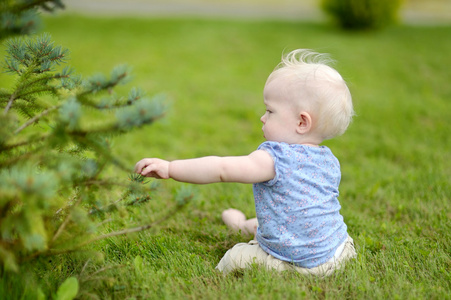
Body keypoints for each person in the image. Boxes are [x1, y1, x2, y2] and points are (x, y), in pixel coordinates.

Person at [134, 49, 357, 276]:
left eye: (270, 111)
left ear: (302, 122)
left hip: (300, 262)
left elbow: (221, 169)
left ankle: (232, 251)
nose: (263, 117)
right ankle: (242, 224)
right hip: (337, 250)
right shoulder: (329, 159)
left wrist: (171, 168)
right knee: (283, 222)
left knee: (236, 257)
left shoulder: (274, 158)